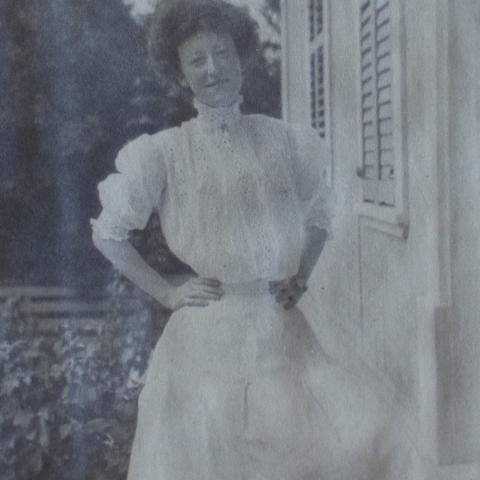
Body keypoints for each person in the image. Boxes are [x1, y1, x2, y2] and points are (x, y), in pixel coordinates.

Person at [91, 1, 438, 478]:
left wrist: (300, 277)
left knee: (313, 453)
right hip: (206, 341)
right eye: (197, 60)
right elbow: (110, 234)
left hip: (281, 332)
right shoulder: (165, 153)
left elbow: (321, 213)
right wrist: (167, 291)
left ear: (241, 58)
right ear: (180, 73)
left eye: (223, 53)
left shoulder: (284, 141)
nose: (213, 68)